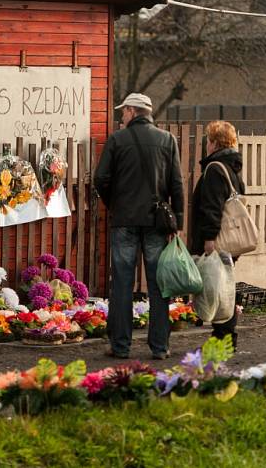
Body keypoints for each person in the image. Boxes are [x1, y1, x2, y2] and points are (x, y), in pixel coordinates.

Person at [94, 93, 184, 360]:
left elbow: (101, 178)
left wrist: (115, 204)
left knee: (121, 283)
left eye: (124, 111)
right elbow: (176, 184)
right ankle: (159, 347)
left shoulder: (117, 140)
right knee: (158, 284)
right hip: (156, 221)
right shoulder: (167, 140)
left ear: (133, 111)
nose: (122, 116)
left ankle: (120, 346)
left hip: (124, 221)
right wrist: (176, 221)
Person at [190, 120, 244, 350]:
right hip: (231, 238)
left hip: (217, 239)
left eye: (208, 140)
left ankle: (224, 338)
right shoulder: (232, 169)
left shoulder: (214, 170)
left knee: (218, 288)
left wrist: (209, 239)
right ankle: (223, 337)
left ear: (213, 143)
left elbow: (212, 207)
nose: (207, 145)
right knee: (223, 287)